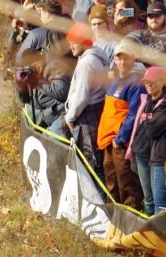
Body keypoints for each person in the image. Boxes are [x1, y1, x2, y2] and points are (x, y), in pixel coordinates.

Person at [98, 37, 146, 208]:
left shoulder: (136, 83)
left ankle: (131, 217)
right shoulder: (115, 81)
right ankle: (114, 217)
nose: (122, 61)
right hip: (107, 141)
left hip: (121, 143)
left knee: (126, 182)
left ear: (133, 58)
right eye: (119, 57)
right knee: (110, 179)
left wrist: (120, 138)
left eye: (126, 57)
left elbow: (134, 115)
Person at [64, 22, 110, 181]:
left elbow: (82, 95)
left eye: (74, 43)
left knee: (93, 164)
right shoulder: (95, 56)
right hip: (96, 111)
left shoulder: (86, 62)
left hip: (87, 115)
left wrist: (70, 117)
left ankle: (102, 203)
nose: (71, 47)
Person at [130, 65, 166, 214]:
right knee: (148, 199)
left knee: (158, 202)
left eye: (152, 82)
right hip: (141, 153)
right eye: (146, 82)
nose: (148, 85)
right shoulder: (145, 101)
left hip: (157, 158)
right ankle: (148, 230)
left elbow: (152, 130)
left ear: (162, 82)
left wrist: (147, 120)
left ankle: (158, 234)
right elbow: (139, 127)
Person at [17, 48, 72, 128]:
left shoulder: (54, 66)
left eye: (34, 64)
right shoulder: (34, 72)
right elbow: (26, 100)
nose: (33, 68)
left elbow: (63, 92)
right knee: (28, 112)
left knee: (54, 133)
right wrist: (21, 85)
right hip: (47, 113)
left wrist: (38, 83)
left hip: (63, 112)